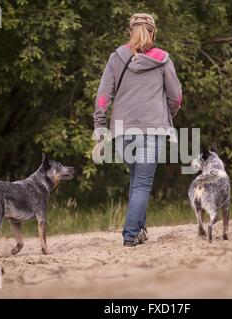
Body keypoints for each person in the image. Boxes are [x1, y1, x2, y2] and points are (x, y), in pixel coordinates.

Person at [93, 13, 182, 247]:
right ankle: (130, 234)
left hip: (123, 131)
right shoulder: (163, 60)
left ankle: (140, 229)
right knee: (142, 182)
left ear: (130, 32)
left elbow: (103, 97)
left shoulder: (116, 58)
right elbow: (177, 97)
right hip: (153, 130)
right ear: (153, 32)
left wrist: (100, 126)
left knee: (137, 179)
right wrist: (166, 116)